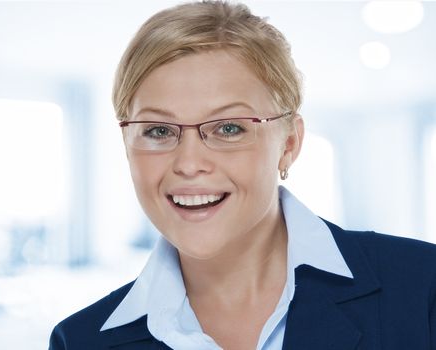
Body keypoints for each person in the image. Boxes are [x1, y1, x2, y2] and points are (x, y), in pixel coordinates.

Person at [49, 1, 436, 349]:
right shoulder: (79, 341)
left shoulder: (422, 287)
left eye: (229, 128)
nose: (189, 163)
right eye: (159, 131)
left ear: (289, 144)